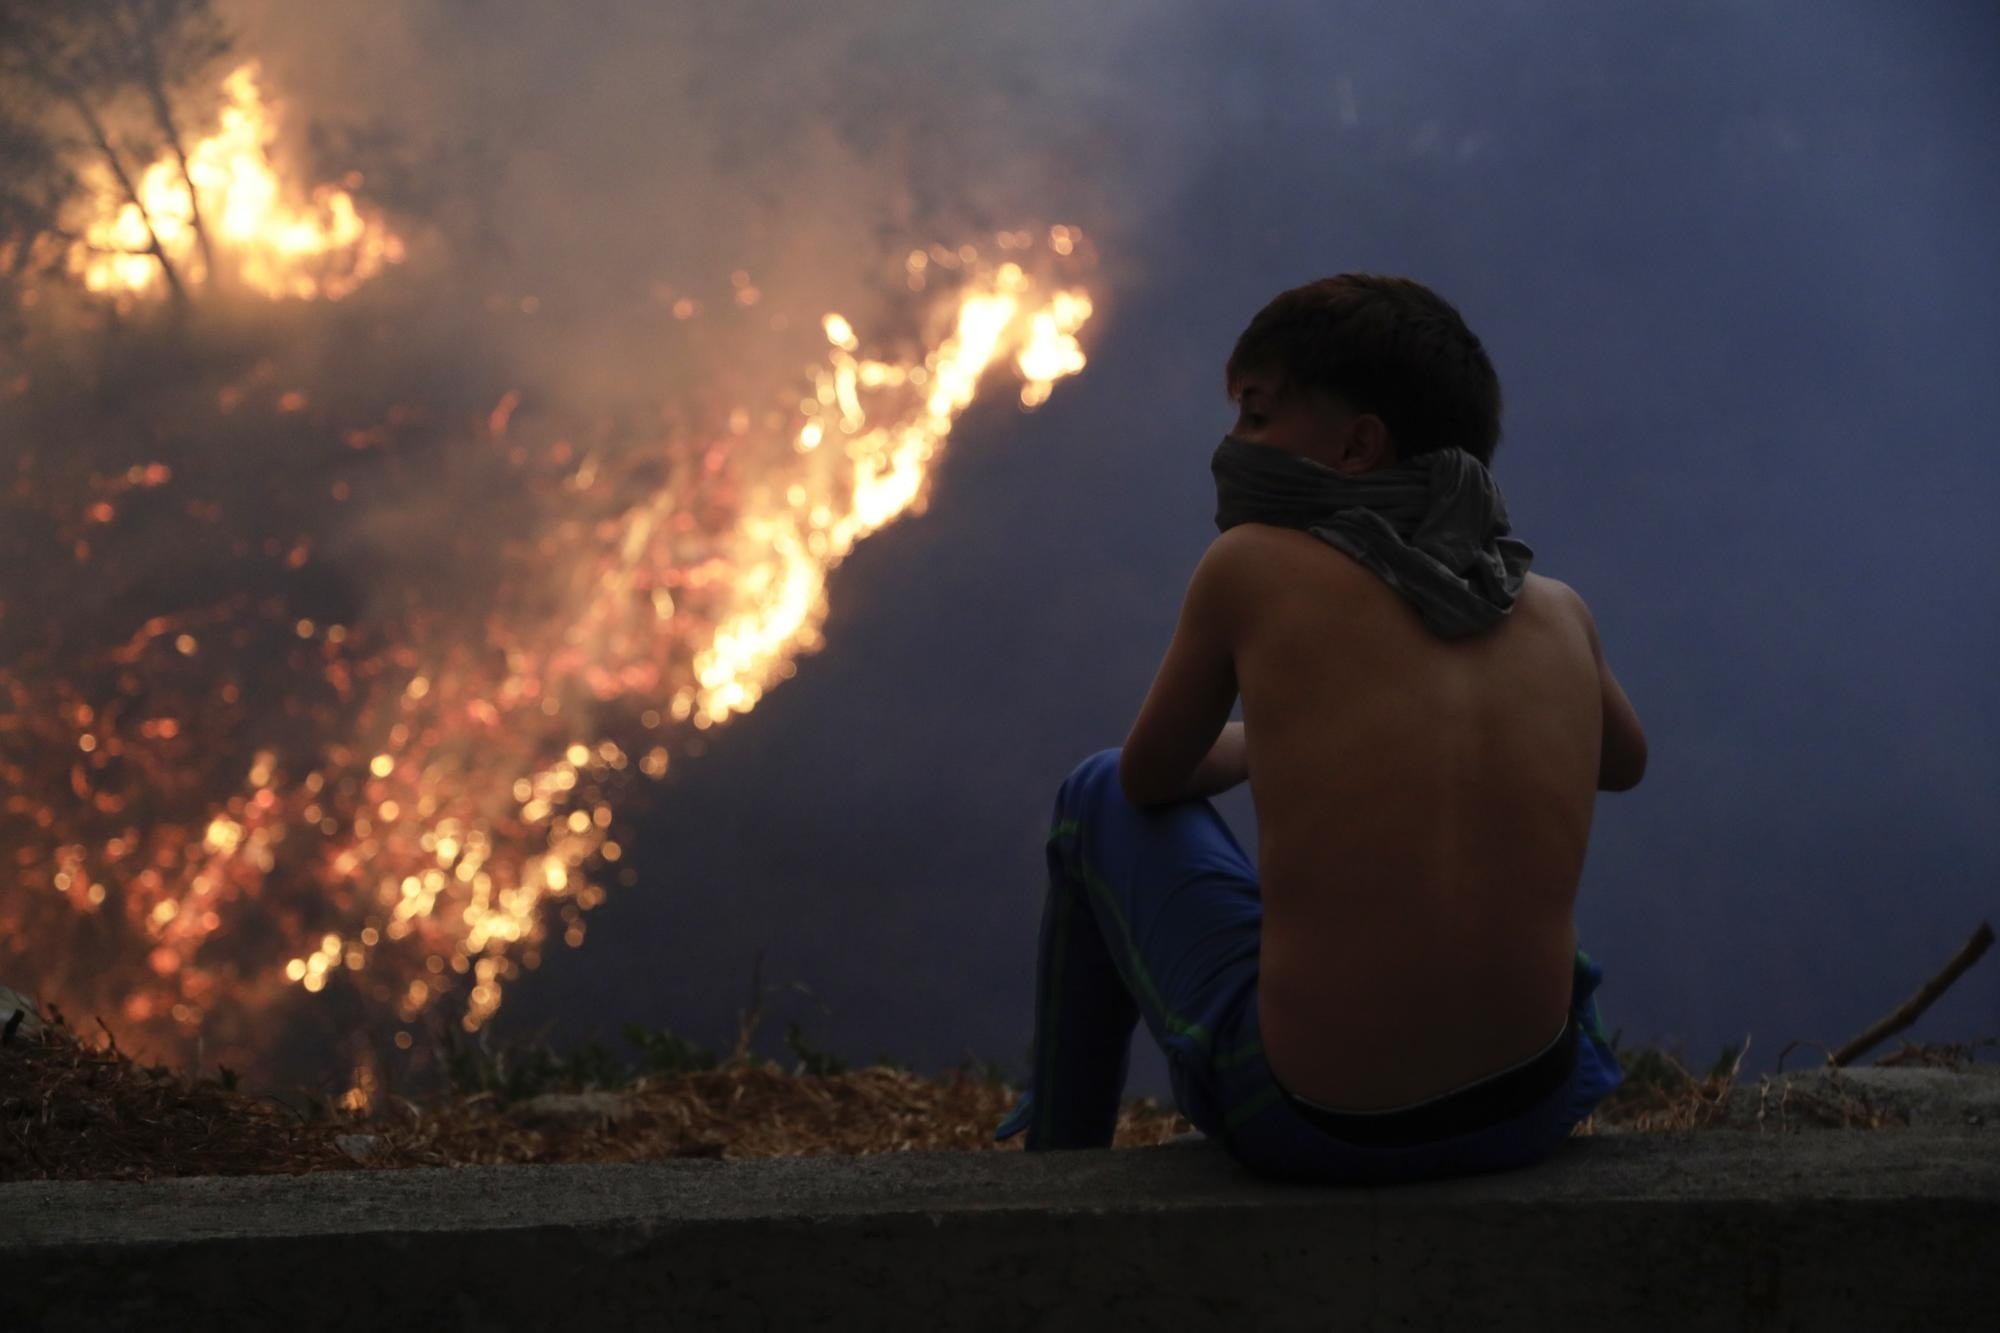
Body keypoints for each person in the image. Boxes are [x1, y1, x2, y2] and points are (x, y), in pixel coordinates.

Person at [993, 273, 1644, 1184]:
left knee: (1094, 792)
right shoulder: (1557, 608)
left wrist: (1260, 742)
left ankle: (1053, 1177)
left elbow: (1149, 777)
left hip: (1319, 1123)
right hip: (1533, 1106)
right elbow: (1623, 761)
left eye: (1258, 415)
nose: (1232, 443)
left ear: (1357, 446)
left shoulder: (1249, 567)